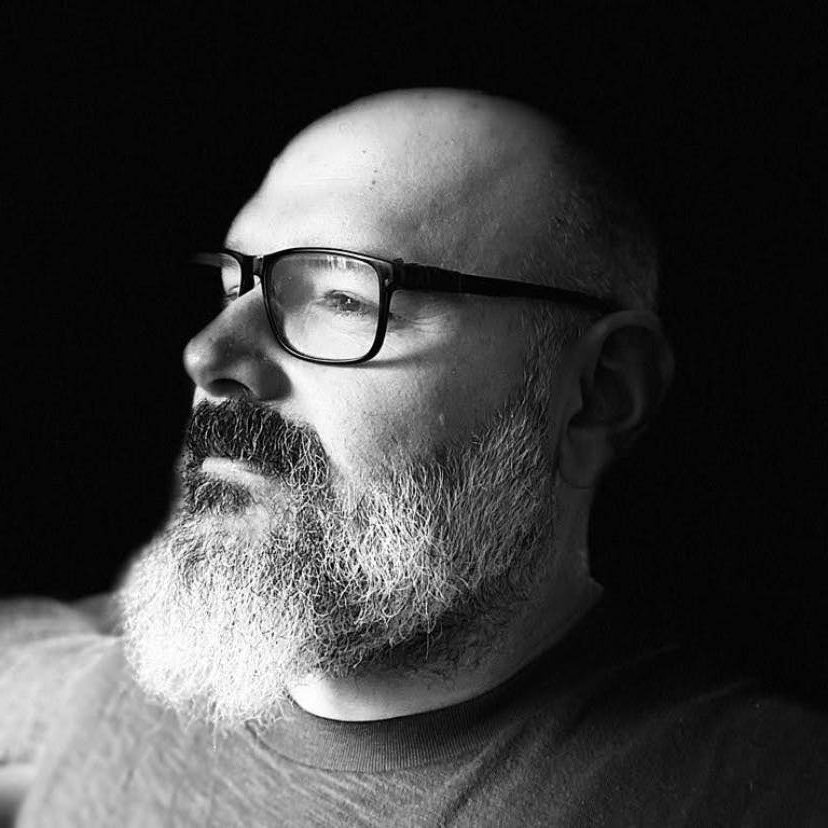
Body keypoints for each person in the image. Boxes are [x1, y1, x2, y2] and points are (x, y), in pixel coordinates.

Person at [1, 88, 825, 826]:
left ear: (599, 393)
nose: (208, 354)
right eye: (232, 287)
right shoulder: (144, 656)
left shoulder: (760, 791)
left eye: (342, 296)